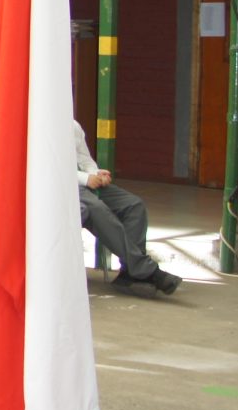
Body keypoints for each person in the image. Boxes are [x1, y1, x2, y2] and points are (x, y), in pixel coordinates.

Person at [67, 119, 178, 294]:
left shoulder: (73, 125)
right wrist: (85, 178)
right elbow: (48, 167)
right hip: (62, 186)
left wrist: (96, 173)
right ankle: (145, 270)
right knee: (97, 209)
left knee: (133, 205)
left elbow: (84, 158)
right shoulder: (41, 126)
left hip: (84, 183)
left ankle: (129, 273)